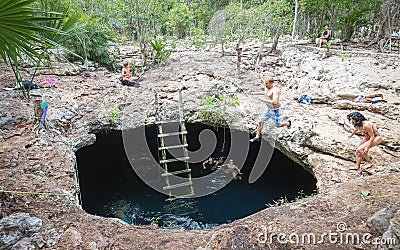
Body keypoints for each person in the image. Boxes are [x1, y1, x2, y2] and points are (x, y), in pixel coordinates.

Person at [249, 76, 291, 142]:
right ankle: (257, 137)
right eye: (265, 83)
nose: (265, 85)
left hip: (276, 110)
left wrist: (263, 100)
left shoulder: (275, 91)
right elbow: (265, 93)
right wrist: (255, 93)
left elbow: (275, 102)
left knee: (278, 125)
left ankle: (288, 123)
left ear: (271, 83)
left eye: (266, 83)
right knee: (260, 122)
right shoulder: (267, 88)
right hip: (269, 110)